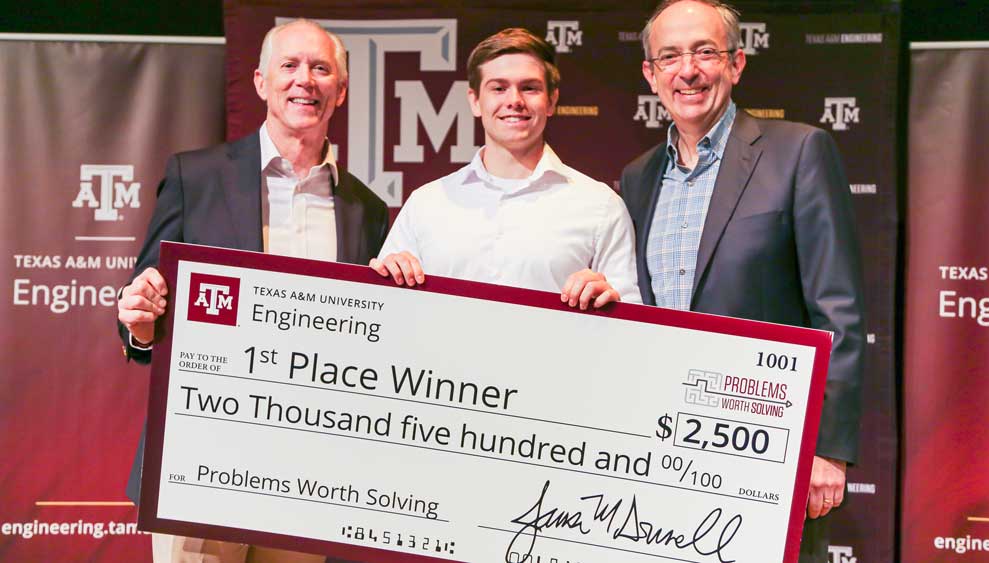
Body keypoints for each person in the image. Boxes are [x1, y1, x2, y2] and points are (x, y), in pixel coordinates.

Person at [116, 19, 388, 563]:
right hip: (202, 459)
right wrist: (139, 318)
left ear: (341, 88)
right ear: (262, 82)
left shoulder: (367, 209)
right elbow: (146, 314)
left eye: (320, 68)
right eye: (289, 66)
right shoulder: (197, 176)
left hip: (309, 474)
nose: (304, 81)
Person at [619, 1, 865, 561]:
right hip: (663, 450)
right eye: (670, 56)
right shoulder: (637, 178)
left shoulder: (798, 152)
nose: (689, 70)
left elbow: (839, 310)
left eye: (705, 52)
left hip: (769, 448)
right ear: (651, 74)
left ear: (736, 63)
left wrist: (826, 449)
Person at [371, 28, 639, 309]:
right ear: (475, 101)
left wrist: (609, 302)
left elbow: (629, 319)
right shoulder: (426, 203)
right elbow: (385, 312)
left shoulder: (600, 205)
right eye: (499, 88)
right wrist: (388, 281)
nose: (515, 101)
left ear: (552, 101)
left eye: (529, 88)